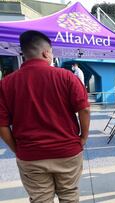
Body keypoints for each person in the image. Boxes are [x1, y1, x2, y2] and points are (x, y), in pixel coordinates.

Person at [0, 30, 90, 202]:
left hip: (30, 155)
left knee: (40, 200)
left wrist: (16, 149)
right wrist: (83, 137)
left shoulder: (6, 84)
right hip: (67, 151)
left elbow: (2, 124)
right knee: (69, 196)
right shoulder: (66, 77)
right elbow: (84, 109)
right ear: (45, 52)